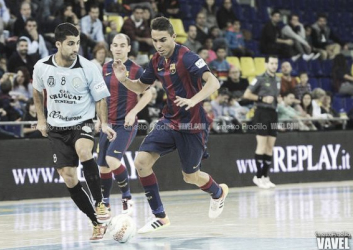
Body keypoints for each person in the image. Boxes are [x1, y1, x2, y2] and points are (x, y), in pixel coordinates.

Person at [112, 17, 228, 234]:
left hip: (192, 126)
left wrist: (194, 100)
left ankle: (218, 192)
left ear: (173, 37)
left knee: (190, 177)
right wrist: (124, 79)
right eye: (155, 40)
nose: (159, 45)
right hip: (169, 121)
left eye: (163, 40)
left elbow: (213, 82)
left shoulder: (187, 57)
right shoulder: (156, 60)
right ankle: (160, 216)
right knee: (141, 162)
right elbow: (140, 87)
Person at [32, 23, 116, 241]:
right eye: (70, 44)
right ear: (58, 44)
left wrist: (103, 123)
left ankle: (100, 203)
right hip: (57, 127)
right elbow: (37, 92)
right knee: (68, 177)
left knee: (84, 151)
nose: (75, 48)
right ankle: (96, 222)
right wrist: (41, 119)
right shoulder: (42, 67)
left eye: (77, 43)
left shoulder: (88, 67)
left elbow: (100, 98)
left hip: (82, 122)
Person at [97, 33, 152, 216]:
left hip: (126, 124)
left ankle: (127, 198)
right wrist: (101, 121)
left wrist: (133, 112)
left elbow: (149, 94)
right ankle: (105, 202)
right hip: (108, 124)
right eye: (115, 45)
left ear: (129, 48)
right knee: (103, 166)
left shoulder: (136, 69)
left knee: (112, 160)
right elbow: (101, 97)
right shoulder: (105, 68)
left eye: (122, 45)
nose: (118, 48)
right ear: (111, 48)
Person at [243, 55, 280, 189]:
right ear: (266, 64)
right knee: (262, 146)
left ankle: (265, 176)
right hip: (261, 113)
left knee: (270, 147)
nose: (274, 66)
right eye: (271, 63)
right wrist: (262, 98)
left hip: (273, 114)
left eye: (276, 63)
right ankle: (257, 176)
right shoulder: (259, 78)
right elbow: (246, 94)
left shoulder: (277, 79)